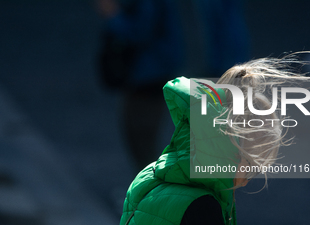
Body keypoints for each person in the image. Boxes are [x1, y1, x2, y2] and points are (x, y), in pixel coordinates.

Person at [118, 54, 310, 225]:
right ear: (231, 149)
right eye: (252, 166)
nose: (247, 181)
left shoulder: (150, 176)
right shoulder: (200, 207)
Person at [96, 0, 249, 171]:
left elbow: (140, 29)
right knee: (144, 137)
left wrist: (112, 15)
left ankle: (152, 192)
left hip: (151, 74)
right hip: (162, 70)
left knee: (142, 137)